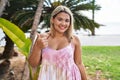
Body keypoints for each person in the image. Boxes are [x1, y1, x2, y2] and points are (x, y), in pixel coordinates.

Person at [28, 5, 87, 80]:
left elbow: (79, 63)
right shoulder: (43, 38)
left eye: (67, 21)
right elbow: (33, 64)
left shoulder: (74, 40)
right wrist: (38, 47)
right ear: (52, 20)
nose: (63, 23)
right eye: (60, 19)